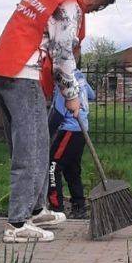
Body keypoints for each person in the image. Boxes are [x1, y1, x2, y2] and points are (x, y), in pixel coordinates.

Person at [0, 0, 116, 243]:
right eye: (99, 3)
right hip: (23, 74)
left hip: (3, 68)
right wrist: (72, 96)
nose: (96, 10)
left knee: (33, 144)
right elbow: (63, 56)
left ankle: (36, 209)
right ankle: (18, 224)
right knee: (32, 148)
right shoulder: (69, 5)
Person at [47, 67, 95, 219]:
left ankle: (56, 207)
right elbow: (92, 95)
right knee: (72, 169)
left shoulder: (64, 80)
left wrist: (46, 132)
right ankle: (79, 206)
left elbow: (59, 112)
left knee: (52, 167)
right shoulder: (80, 77)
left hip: (68, 130)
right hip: (82, 130)